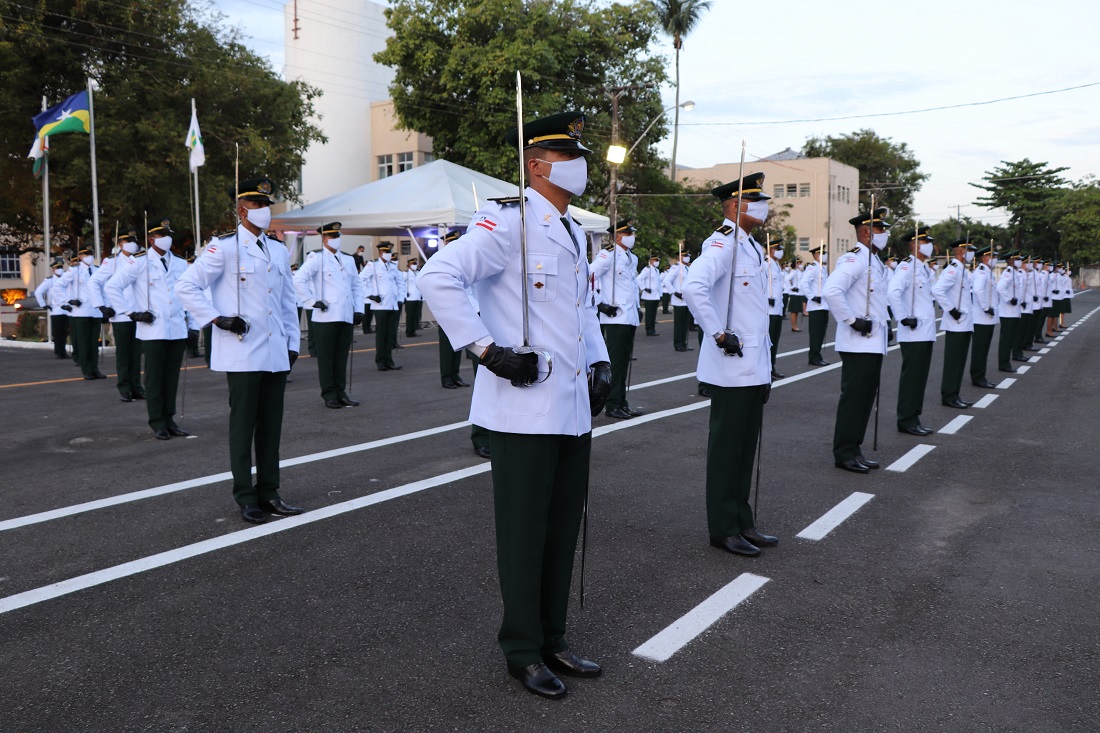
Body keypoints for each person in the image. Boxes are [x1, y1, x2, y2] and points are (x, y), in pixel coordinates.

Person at [418, 111, 611, 700]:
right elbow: (437, 276)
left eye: (577, 153)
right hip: (522, 406)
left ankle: (554, 637)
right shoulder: (507, 221)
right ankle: (522, 650)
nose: (579, 163)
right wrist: (485, 349)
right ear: (536, 165)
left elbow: (580, 311)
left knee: (560, 530)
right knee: (525, 534)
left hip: (569, 407)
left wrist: (601, 359)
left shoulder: (573, 229)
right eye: (565, 154)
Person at [176, 175, 305, 524]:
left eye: (267, 205)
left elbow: (286, 302)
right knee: (243, 425)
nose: (264, 210)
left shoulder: (277, 249)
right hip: (243, 348)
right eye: (258, 205)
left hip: (275, 351)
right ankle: (245, 495)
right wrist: (217, 318)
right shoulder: (224, 247)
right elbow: (186, 286)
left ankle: (270, 491)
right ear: (241, 209)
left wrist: (293, 342)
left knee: (271, 427)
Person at [683, 172, 778, 558]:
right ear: (737, 207)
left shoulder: (750, 245)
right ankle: (723, 528)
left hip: (753, 365)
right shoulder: (723, 243)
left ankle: (743, 521)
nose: (764, 207)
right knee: (727, 451)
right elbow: (693, 287)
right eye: (757, 201)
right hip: (733, 364)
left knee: (744, 450)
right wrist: (718, 332)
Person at [107, 217, 190, 439]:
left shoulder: (181, 263)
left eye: (169, 234)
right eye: (162, 235)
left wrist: (191, 322)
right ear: (152, 238)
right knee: (154, 377)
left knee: (171, 377)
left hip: (177, 328)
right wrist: (130, 312)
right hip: (153, 328)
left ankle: (170, 419)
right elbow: (112, 286)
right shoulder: (139, 261)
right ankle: (157, 422)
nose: (167, 239)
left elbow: (187, 293)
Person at [823, 208, 892, 473]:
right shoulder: (856, 259)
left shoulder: (875, 260)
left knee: (865, 400)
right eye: (880, 229)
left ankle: (855, 448)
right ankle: (843, 452)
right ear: (865, 232)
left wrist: (885, 325)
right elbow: (831, 290)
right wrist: (851, 320)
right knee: (854, 400)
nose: (884, 234)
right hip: (858, 342)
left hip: (873, 341)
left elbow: (876, 301)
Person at [293, 221, 365, 408]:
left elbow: (356, 286)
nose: (336, 239)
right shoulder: (316, 258)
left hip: (346, 315)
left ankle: (341, 392)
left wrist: (359, 309)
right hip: (326, 316)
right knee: (327, 358)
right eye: (332, 236)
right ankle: (329, 394)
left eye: (338, 236)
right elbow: (299, 279)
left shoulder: (348, 259)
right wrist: (311, 301)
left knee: (341, 357)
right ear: (324, 238)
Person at [888, 226, 938, 436]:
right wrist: (903, 318)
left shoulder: (924, 268)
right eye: (926, 242)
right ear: (916, 245)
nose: (930, 246)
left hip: (925, 331)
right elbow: (893, 292)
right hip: (913, 331)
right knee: (912, 378)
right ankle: (906, 420)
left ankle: (914, 417)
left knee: (920, 377)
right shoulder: (907, 267)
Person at [593, 218, 642, 419]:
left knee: (624, 363)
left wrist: (638, 308)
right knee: (615, 363)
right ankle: (612, 405)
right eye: (629, 234)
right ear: (619, 236)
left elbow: (631, 286)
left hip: (629, 316)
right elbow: (589, 276)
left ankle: (622, 402)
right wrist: (599, 304)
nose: (632, 237)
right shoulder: (607, 255)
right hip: (614, 317)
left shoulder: (632, 257)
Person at [91, 230, 145, 402]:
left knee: (136, 354)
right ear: (120, 244)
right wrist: (101, 305)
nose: (132, 244)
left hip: (139, 314)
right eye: (128, 241)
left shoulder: (141, 259)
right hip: (121, 314)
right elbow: (94, 282)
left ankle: (137, 387)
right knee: (123, 354)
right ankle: (124, 387)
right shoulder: (112, 262)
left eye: (133, 240)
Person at [931, 239, 977, 409]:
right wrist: (950, 308)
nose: (972, 253)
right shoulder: (953, 269)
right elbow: (937, 290)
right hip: (956, 323)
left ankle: (955, 394)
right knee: (953, 362)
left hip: (964, 323)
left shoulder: (964, 271)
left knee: (959, 362)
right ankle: (949, 395)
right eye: (969, 250)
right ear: (960, 252)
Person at [59, 248, 105, 379]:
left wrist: (105, 307)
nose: (89, 257)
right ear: (80, 256)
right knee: (84, 342)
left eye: (91, 254)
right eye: (86, 254)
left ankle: (95, 368)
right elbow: (59, 286)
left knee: (93, 343)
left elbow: (103, 290)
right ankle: (86, 370)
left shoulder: (98, 270)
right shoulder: (74, 270)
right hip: (81, 311)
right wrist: (68, 300)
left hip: (96, 310)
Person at [435, 230, 473, 391]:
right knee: (446, 347)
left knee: (459, 344)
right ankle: (446, 377)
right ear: (445, 244)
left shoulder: (462, 262)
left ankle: (455, 374)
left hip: (463, 308)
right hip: (446, 309)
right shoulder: (439, 262)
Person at [361, 242, 404, 371]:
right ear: (380, 253)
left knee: (390, 334)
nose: (388, 254)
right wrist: (370, 295)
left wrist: (401, 299)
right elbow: (359, 280)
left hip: (392, 305)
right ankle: (380, 361)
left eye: (390, 252)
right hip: (380, 305)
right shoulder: (372, 266)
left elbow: (400, 283)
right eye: (386, 252)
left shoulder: (393, 267)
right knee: (381, 335)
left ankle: (389, 361)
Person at [968, 245, 998, 388]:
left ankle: (981, 376)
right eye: (993, 257)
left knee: (984, 348)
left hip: (986, 317)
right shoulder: (981, 272)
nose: (995, 259)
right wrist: (986, 307)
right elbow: (978, 290)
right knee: (980, 349)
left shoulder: (987, 272)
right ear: (985, 258)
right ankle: (978, 377)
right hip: (981, 317)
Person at [35, 258, 71, 359]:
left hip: (68, 310)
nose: (59, 269)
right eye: (57, 268)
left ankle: (63, 351)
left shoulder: (66, 278)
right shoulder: (49, 281)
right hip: (55, 310)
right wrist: (43, 304)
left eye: (61, 267)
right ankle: (58, 351)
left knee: (64, 333)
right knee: (57, 333)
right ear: (53, 270)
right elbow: (38, 292)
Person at [801, 244, 831, 367]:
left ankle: (817, 355)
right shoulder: (813, 268)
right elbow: (803, 283)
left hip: (823, 305)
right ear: (816, 255)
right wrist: (812, 297)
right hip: (816, 307)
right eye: (822, 254)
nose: (825, 256)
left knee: (821, 333)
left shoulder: (822, 268)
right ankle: (813, 357)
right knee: (816, 334)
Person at [996, 250, 1024, 372]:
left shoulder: (1014, 272)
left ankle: (1005, 362)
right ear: (1010, 261)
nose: (1019, 261)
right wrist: (1009, 299)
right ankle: (1003, 364)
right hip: (1007, 312)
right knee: (1006, 340)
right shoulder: (1008, 272)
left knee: (1010, 338)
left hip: (1013, 311)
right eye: (1017, 259)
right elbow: (1000, 287)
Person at [763, 238, 786, 379]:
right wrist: (766, 297)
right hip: (768, 309)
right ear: (771, 250)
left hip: (777, 308)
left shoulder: (776, 265)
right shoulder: (766, 265)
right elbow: (759, 284)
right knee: (768, 341)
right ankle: (765, 369)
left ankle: (771, 367)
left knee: (775, 340)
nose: (780, 252)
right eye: (777, 249)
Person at [664, 249, 692, 351]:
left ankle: (684, 343)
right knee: (679, 324)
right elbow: (667, 281)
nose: (687, 257)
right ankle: (678, 344)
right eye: (685, 255)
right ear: (680, 257)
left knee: (685, 324)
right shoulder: (676, 268)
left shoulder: (687, 268)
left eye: (688, 255)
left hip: (687, 300)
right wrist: (674, 292)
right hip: (679, 300)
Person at [637, 253, 663, 336]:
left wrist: (660, 294)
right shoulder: (647, 269)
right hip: (649, 295)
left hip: (655, 295)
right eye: (656, 260)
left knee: (653, 314)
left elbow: (658, 284)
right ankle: (649, 330)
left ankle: (652, 329)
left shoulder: (656, 270)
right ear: (651, 261)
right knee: (649, 314)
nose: (657, 262)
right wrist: (644, 288)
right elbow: (639, 279)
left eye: (658, 261)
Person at [404, 257, 424, 337]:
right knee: (410, 316)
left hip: (418, 297)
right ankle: (409, 331)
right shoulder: (406, 274)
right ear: (408, 265)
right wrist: (404, 293)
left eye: (415, 264)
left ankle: (414, 330)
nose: (414, 265)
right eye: (413, 264)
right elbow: (401, 284)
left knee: (416, 316)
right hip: (410, 298)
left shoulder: (418, 273)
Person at [786, 260, 805, 331]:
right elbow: (787, 279)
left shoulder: (800, 272)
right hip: (795, 293)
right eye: (798, 263)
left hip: (799, 293)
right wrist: (791, 287)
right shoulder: (794, 272)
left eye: (800, 263)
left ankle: (795, 325)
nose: (800, 264)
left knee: (796, 311)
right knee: (794, 311)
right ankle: (793, 326)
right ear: (795, 264)